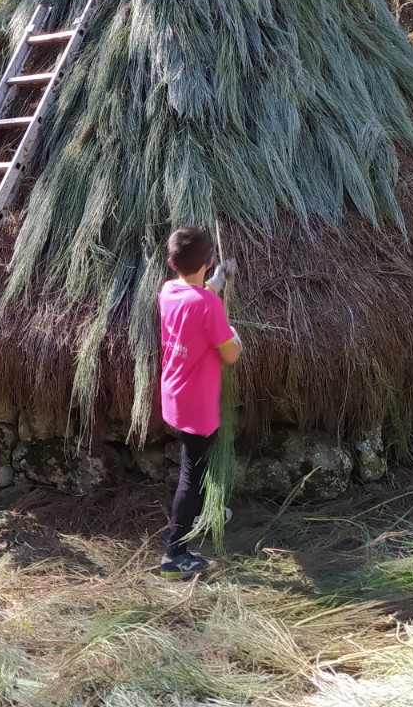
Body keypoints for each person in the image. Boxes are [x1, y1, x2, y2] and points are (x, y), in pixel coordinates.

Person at [157, 225, 241, 578]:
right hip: (198, 404)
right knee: (190, 476)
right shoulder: (210, 305)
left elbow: (193, 299)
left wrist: (213, 284)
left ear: (170, 262)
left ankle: (205, 510)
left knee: (195, 462)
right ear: (209, 261)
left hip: (175, 394)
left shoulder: (168, 290)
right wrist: (235, 333)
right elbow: (231, 355)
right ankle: (175, 555)